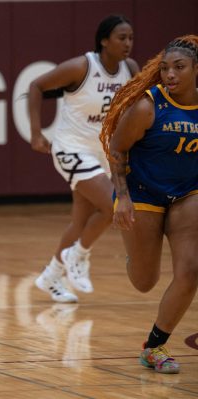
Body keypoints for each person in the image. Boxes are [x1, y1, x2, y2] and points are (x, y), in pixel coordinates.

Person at [100, 35, 198, 374]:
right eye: (165, 68)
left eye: (179, 68)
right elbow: (116, 149)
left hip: (188, 193)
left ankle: (154, 346)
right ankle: (137, 248)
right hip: (141, 192)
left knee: (191, 270)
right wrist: (122, 197)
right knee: (144, 280)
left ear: (195, 70)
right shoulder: (147, 106)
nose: (170, 74)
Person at [28, 15, 139, 303]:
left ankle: (51, 275)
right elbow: (36, 86)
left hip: (103, 153)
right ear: (104, 40)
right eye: (121, 38)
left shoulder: (130, 69)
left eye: (130, 38)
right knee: (113, 203)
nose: (128, 43)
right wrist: (36, 133)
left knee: (81, 221)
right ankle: (78, 254)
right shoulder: (83, 66)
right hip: (71, 148)